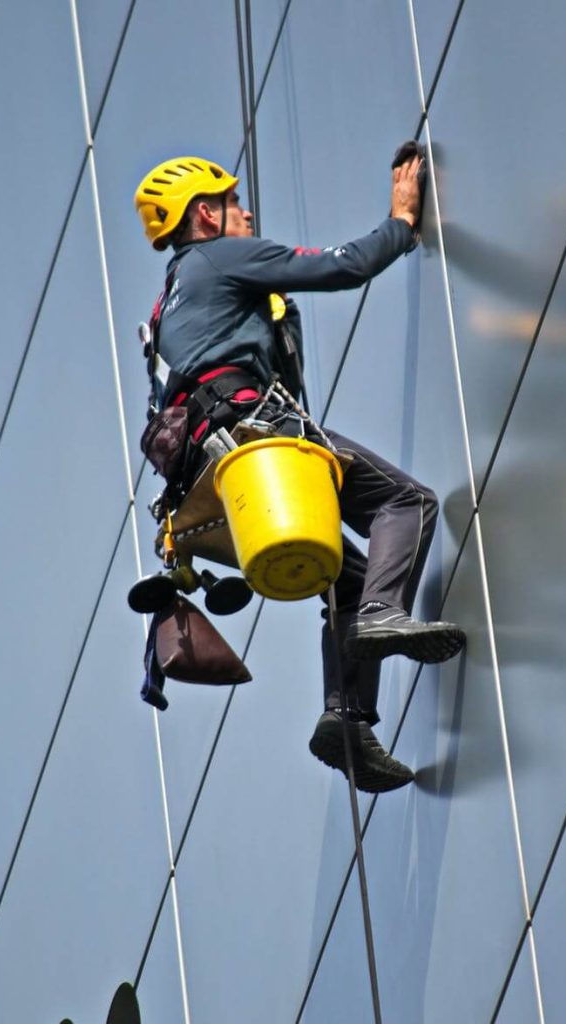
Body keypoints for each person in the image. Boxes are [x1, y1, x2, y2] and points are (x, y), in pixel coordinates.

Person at [133, 153, 465, 793]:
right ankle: (382, 616)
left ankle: (346, 721)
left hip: (210, 481)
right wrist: (401, 222)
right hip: (255, 436)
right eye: (233, 203)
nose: (247, 212)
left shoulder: (166, 305)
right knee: (408, 503)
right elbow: (341, 266)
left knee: (350, 576)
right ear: (206, 214)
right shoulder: (218, 258)